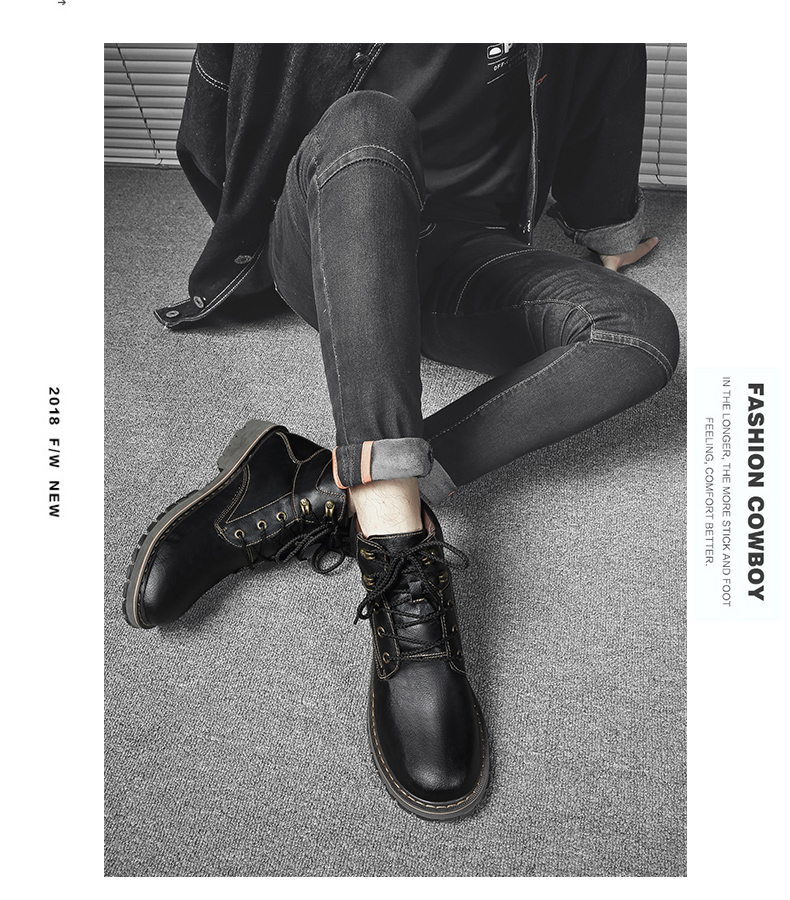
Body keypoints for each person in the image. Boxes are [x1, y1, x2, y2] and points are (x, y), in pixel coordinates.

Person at [122, 44, 680, 821]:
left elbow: (603, 101)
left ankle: (308, 486)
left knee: (639, 335)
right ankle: (396, 546)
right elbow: (216, 109)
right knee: (368, 119)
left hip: (461, 253)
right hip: (331, 225)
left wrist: (611, 225)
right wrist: (248, 227)